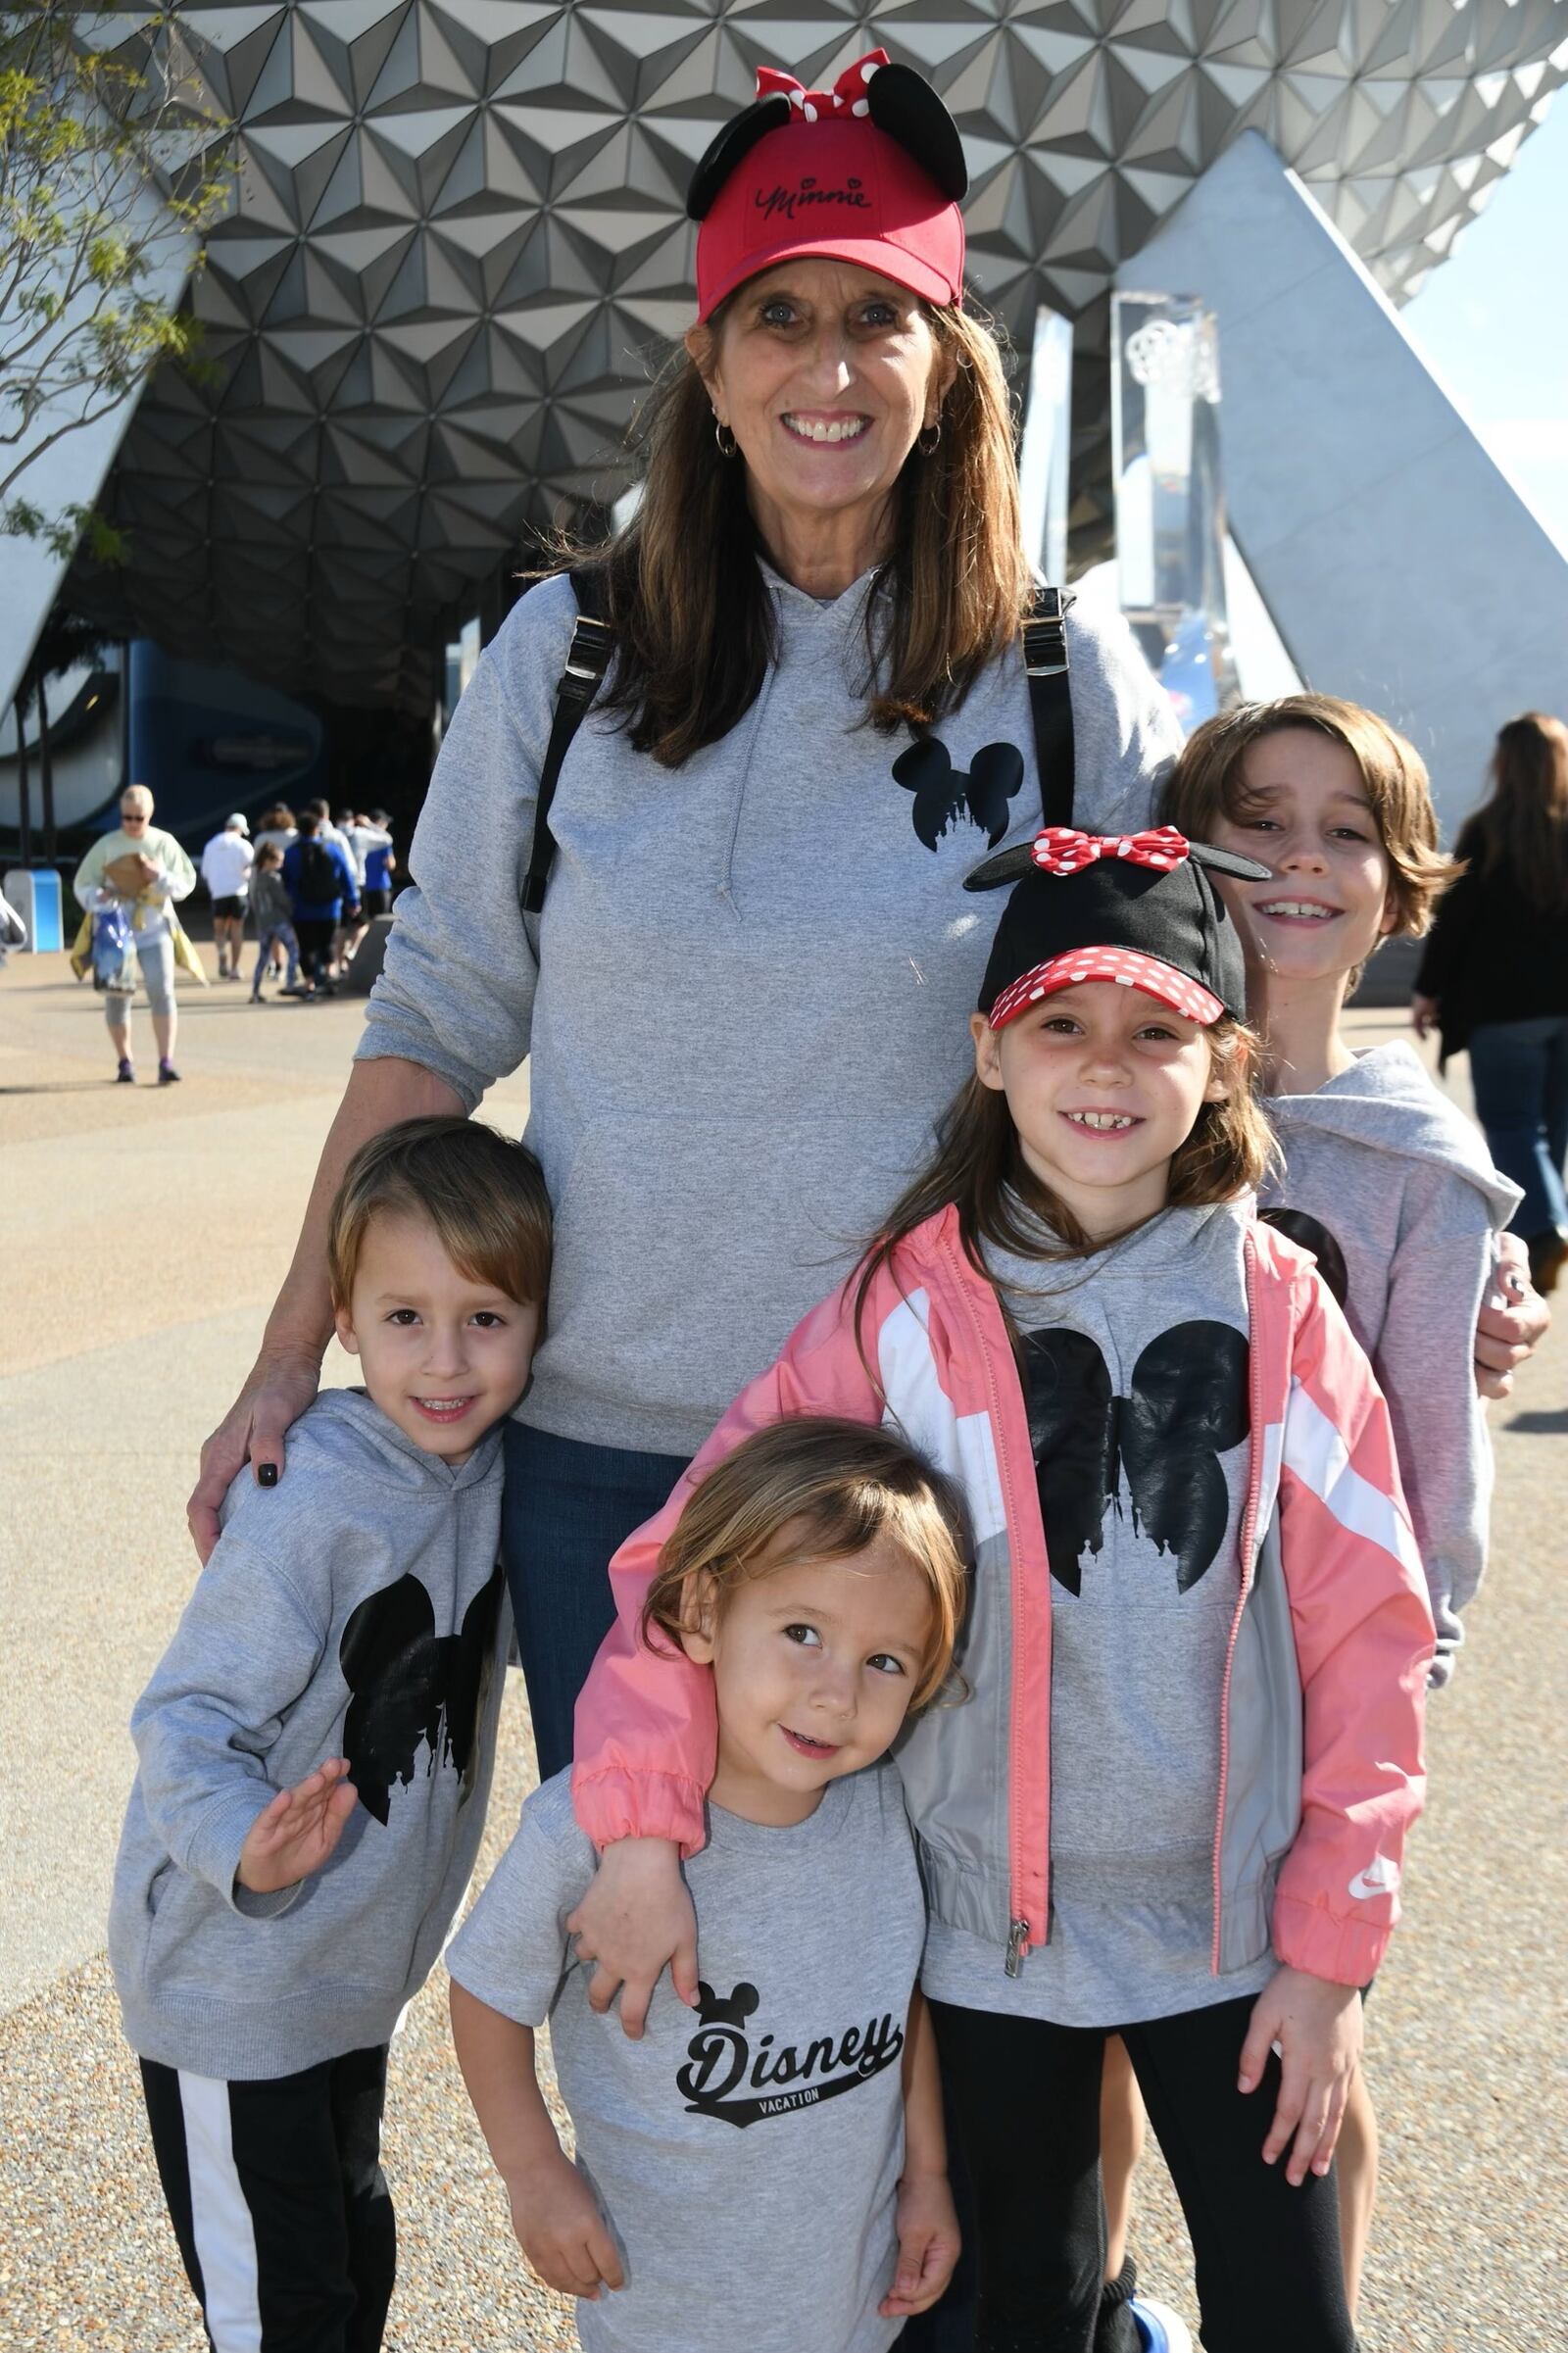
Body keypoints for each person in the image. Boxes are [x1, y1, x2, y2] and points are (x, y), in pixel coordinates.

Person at [188, 50, 1189, 1784]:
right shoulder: (565, 660)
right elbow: (430, 1026)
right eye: (779, 317)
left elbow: (1183, 1024)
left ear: (948, 369)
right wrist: (286, 1357)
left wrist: (1395, 1246)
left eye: (878, 318)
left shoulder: (1055, 678)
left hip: (935, 1451)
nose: (827, 367)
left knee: (961, 1990)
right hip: (607, 1457)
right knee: (647, 1994)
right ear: (708, 365)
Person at [566, 822, 1436, 2353]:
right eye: (1061, 1025)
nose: (1106, 1066)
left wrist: (1328, 1951)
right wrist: (638, 1829)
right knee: (1019, 2315)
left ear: (1222, 1061)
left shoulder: (1282, 1306)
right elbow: (682, 1563)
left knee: (1293, 2316)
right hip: (982, 1944)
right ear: (990, 1053)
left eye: (1156, 1029)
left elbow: (1370, 1632)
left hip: (1233, 1939)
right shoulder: (901, 1305)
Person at [1154, 693, 1523, 2327]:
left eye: (1348, 831)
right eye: (1264, 818)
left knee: (1304, 2057)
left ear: (1400, 886)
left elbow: (1436, 1476)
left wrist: (1397, 1696)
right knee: (1101, 2043)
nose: (1302, 860)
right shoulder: (1119, 1086)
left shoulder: (1417, 1169)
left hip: (1309, 1699)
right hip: (1114, 1668)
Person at [107, 1115, 551, 2352]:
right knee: (283, 2310)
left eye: (487, 1317)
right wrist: (246, 1847)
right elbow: (183, 1717)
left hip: (350, 1981)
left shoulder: (500, 1475)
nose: (446, 1359)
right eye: (404, 1317)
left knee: (355, 2249)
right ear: (343, 1320)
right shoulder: (312, 1498)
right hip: (230, 1985)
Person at [450, 1418, 968, 2352]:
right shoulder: (591, 1828)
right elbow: (486, 1992)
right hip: (661, 2314)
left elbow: (909, 2005)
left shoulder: (889, 1813)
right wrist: (532, 2174)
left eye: (883, 1661)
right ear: (700, 1614)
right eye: (801, 1632)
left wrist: (927, 2174)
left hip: (847, 2310)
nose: (836, 1692)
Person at [1413, 711, 1568, 1294]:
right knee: (1551, 1125)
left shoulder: (1489, 831)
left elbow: (1455, 927)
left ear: (1504, 764)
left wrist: (1428, 991)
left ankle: (1542, 1228)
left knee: (1511, 1123)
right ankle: (1545, 1226)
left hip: (1503, 1011)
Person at [72, 783, 200, 1084]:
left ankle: (166, 1060)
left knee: (162, 990)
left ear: (149, 815)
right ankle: (124, 1061)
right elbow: (83, 884)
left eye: (138, 818)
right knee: (117, 995)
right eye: (126, 817)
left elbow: (186, 882)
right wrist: (99, 895)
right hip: (116, 932)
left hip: (154, 928)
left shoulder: (164, 843)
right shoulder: (107, 845)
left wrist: (160, 876)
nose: (131, 824)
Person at [282, 806, 360, 999]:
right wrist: (352, 900)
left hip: (302, 908)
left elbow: (287, 881)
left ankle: (309, 986)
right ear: (317, 828)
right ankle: (330, 979)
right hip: (330, 907)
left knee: (306, 947)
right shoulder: (331, 850)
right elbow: (346, 877)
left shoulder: (291, 853)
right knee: (328, 944)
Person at [200, 811, 254, 981]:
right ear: (239, 828)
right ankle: (235, 968)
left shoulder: (211, 845)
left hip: (218, 892)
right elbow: (250, 869)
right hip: (238, 892)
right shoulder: (243, 845)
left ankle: (222, 954)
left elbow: (205, 871)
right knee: (237, 929)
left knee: (219, 930)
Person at [248, 840, 301, 1001]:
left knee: (263, 957)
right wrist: (292, 909)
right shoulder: (273, 878)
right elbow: (282, 900)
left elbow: (254, 902)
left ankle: (255, 992)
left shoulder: (255, 878)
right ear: (268, 861)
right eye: (279, 861)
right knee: (293, 949)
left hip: (263, 922)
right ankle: (290, 982)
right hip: (278, 920)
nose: (281, 864)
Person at [358, 810, 396, 919]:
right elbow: (390, 865)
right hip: (380, 887)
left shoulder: (361, 839)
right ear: (379, 822)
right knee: (381, 925)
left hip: (364, 887)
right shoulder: (383, 843)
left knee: (366, 924)